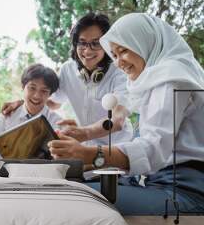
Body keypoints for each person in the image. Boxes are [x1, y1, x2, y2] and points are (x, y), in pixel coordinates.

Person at [48, 13, 204, 214]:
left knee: (72, 197)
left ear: (144, 42)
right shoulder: (160, 76)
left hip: (182, 189)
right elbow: (51, 100)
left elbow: (151, 148)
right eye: (114, 54)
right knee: (70, 190)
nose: (119, 62)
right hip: (155, 179)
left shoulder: (170, 78)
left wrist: (86, 152)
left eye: (123, 51)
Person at [2, 13, 133, 147]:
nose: (87, 51)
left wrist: (85, 133)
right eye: (82, 43)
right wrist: (23, 102)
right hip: (85, 147)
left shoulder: (119, 71)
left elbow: (118, 119)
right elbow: (52, 102)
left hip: (118, 147)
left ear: (106, 45)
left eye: (96, 43)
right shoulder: (67, 69)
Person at [0, 63, 62, 160]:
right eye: (32, 88)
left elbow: (60, 159)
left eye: (44, 91)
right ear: (23, 87)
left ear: (50, 94)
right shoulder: (7, 116)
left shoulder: (57, 122)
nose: (36, 96)